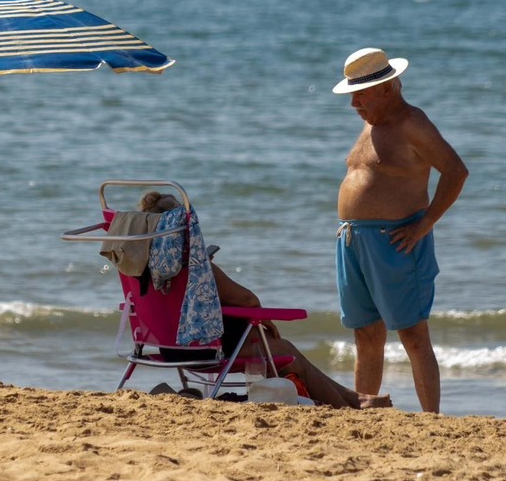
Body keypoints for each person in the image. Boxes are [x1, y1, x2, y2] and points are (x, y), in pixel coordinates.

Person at [137, 192, 390, 410]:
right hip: (205, 353)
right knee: (287, 351)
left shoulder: (139, 269)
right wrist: (262, 319)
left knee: (275, 346)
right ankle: (348, 407)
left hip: (169, 350)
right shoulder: (194, 268)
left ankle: (353, 397)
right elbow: (247, 299)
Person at [332, 48, 469, 413]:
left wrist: (424, 225)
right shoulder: (371, 122)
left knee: (413, 335)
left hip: (394, 241)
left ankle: (431, 420)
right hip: (352, 240)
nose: (354, 104)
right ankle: (365, 410)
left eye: (360, 95)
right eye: (352, 95)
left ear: (388, 88)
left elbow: (456, 171)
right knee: (366, 333)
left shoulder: (412, 123)